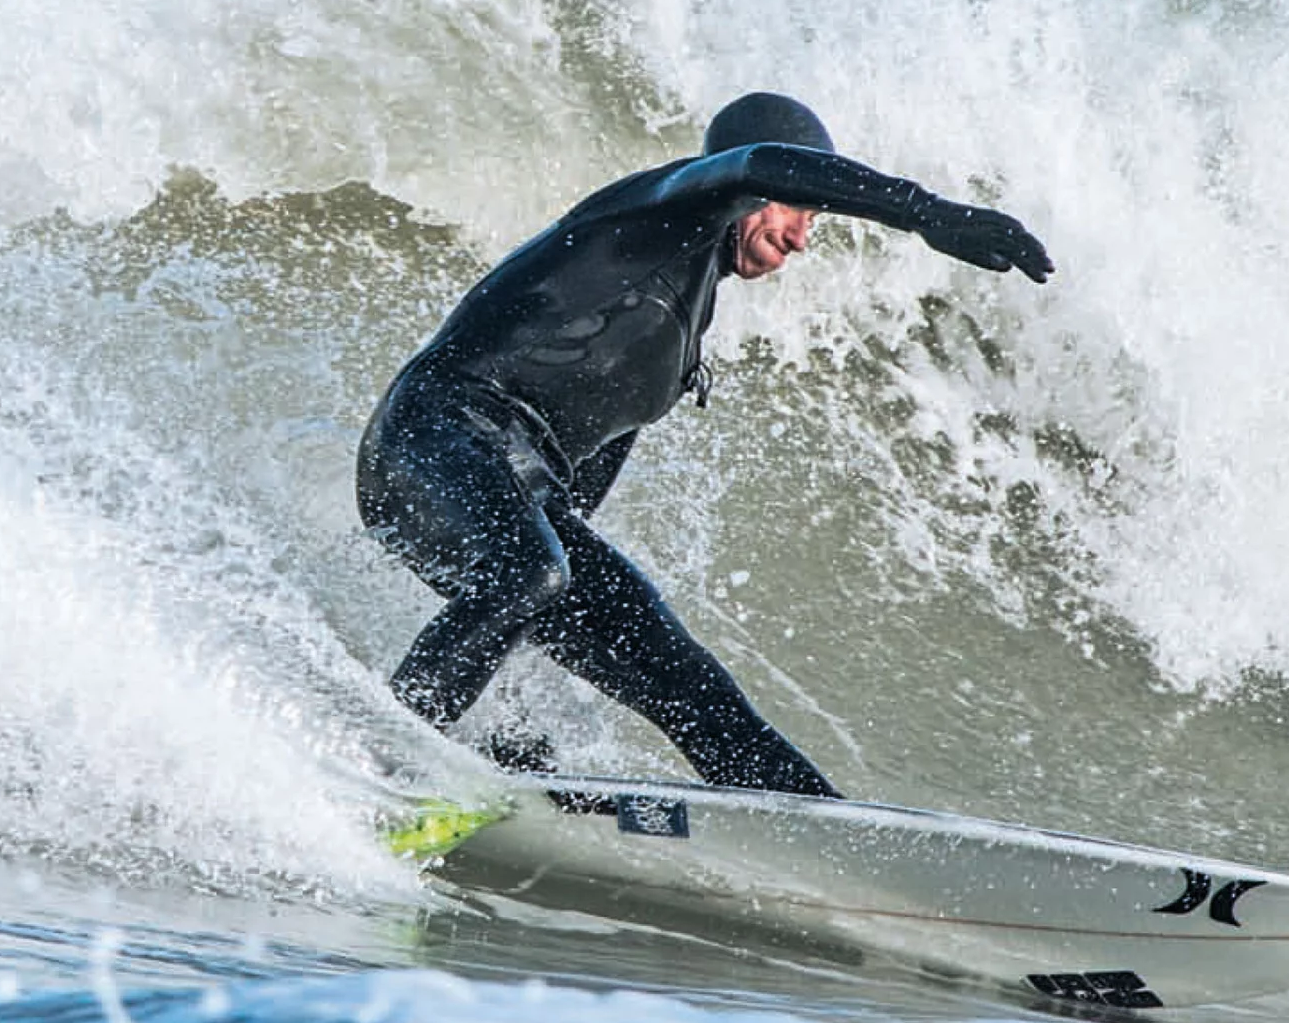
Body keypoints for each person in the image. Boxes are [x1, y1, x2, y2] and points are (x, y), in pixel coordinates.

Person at [358, 92, 1053, 796]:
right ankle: (383, 766)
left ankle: (819, 830)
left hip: (514, 489)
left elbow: (570, 501)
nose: (800, 238)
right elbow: (762, 160)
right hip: (433, 431)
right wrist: (927, 213)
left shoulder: (677, 344)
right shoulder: (653, 213)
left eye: (809, 220)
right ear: (751, 188)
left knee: (686, 680)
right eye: (796, 209)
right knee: (533, 572)